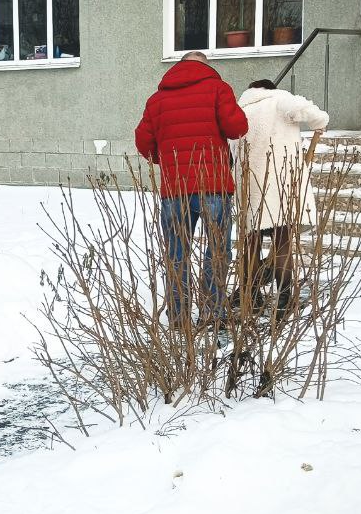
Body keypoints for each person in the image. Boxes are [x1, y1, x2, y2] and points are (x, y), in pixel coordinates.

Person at [135, 51, 249, 323]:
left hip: (175, 191)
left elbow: (143, 142)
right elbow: (237, 128)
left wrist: (167, 162)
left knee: (176, 253)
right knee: (218, 250)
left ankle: (178, 317)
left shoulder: (156, 100)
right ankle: (212, 313)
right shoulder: (218, 89)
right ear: (205, 67)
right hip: (214, 187)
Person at [233, 79, 329, 314]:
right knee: (282, 241)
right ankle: (285, 298)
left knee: (250, 241)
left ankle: (251, 296)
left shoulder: (239, 108)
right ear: (271, 89)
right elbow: (315, 115)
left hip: (248, 183)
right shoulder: (279, 100)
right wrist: (321, 123)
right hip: (280, 182)